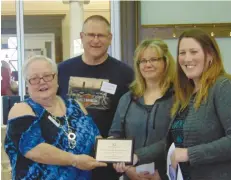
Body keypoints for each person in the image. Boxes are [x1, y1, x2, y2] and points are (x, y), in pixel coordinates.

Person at [4, 55, 107, 180]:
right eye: (34, 78)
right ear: (27, 84)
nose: (42, 82)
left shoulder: (75, 105)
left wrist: (118, 154)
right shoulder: (21, 110)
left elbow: (96, 139)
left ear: (56, 78)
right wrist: (75, 160)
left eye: (47, 76)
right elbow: (33, 149)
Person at [58, 15, 134, 180]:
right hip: (67, 161)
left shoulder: (126, 74)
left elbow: (132, 116)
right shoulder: (62, 71)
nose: (95, 40)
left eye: (101, 36)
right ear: (82, 37)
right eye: (91, 35)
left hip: (107, 163)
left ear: (110, 38)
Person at [167, 29, 231, 180]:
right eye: (182, 53)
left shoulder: (222, 86)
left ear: (210, 55)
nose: (187, 58)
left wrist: (189, 154)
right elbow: (173, 142)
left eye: (194, 51)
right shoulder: (185, 94)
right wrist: (136, 157)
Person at [109, 39, 175, 180]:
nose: (148, 65)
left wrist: (138, 157)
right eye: (143, 61)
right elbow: (115, 133)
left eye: (153, 59)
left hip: (166, 175)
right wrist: (126, 168)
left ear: (166, 62)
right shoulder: (127, 98)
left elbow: (174, 139)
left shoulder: (178, 98)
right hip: (131, 175)